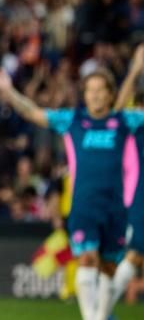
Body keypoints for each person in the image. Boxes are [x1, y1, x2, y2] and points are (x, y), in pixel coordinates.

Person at [0, 65, 144, 320]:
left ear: (110, 94)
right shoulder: (72, 120)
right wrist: (8, 91)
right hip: (84, 205)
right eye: (89, 90)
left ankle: (100, 316)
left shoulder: (125, 121)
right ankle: (90, 317)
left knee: (108, 267)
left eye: (99, 90)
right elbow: (34, 113)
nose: (94, 95)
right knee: (87, 258)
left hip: (116, 207)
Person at [107, 44, 144, 314]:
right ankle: (100, 310)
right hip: (138, 199)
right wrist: (135, 71)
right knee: (134, 255)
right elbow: (115, 114)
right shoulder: (135, 124)